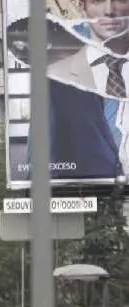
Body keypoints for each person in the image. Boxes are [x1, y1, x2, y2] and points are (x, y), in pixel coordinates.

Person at [46, 0, 129, 177]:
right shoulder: (58, 79)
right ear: (82, 7)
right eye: (98, 1)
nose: (109, 11)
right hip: (86, 193)